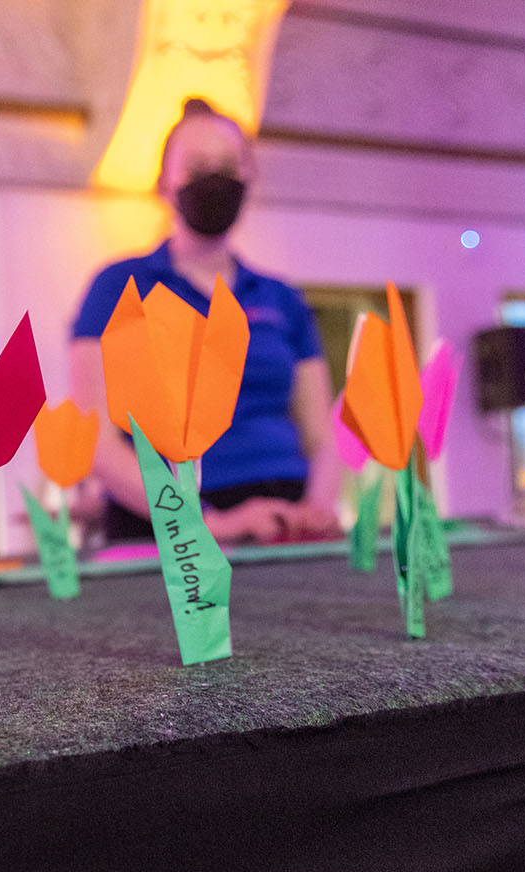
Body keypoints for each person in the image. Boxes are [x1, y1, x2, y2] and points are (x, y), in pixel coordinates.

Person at [70, 98, 340, 544]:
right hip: (167, 527)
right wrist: (209, 524)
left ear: (248, 180)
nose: (214, 179)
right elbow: (94, 440)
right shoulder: (117, 287)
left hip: (284, 520)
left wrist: (316, 508)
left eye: (228, 165)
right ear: (164, 184)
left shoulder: (282, 297)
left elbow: (321, 437)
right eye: (197, 168)